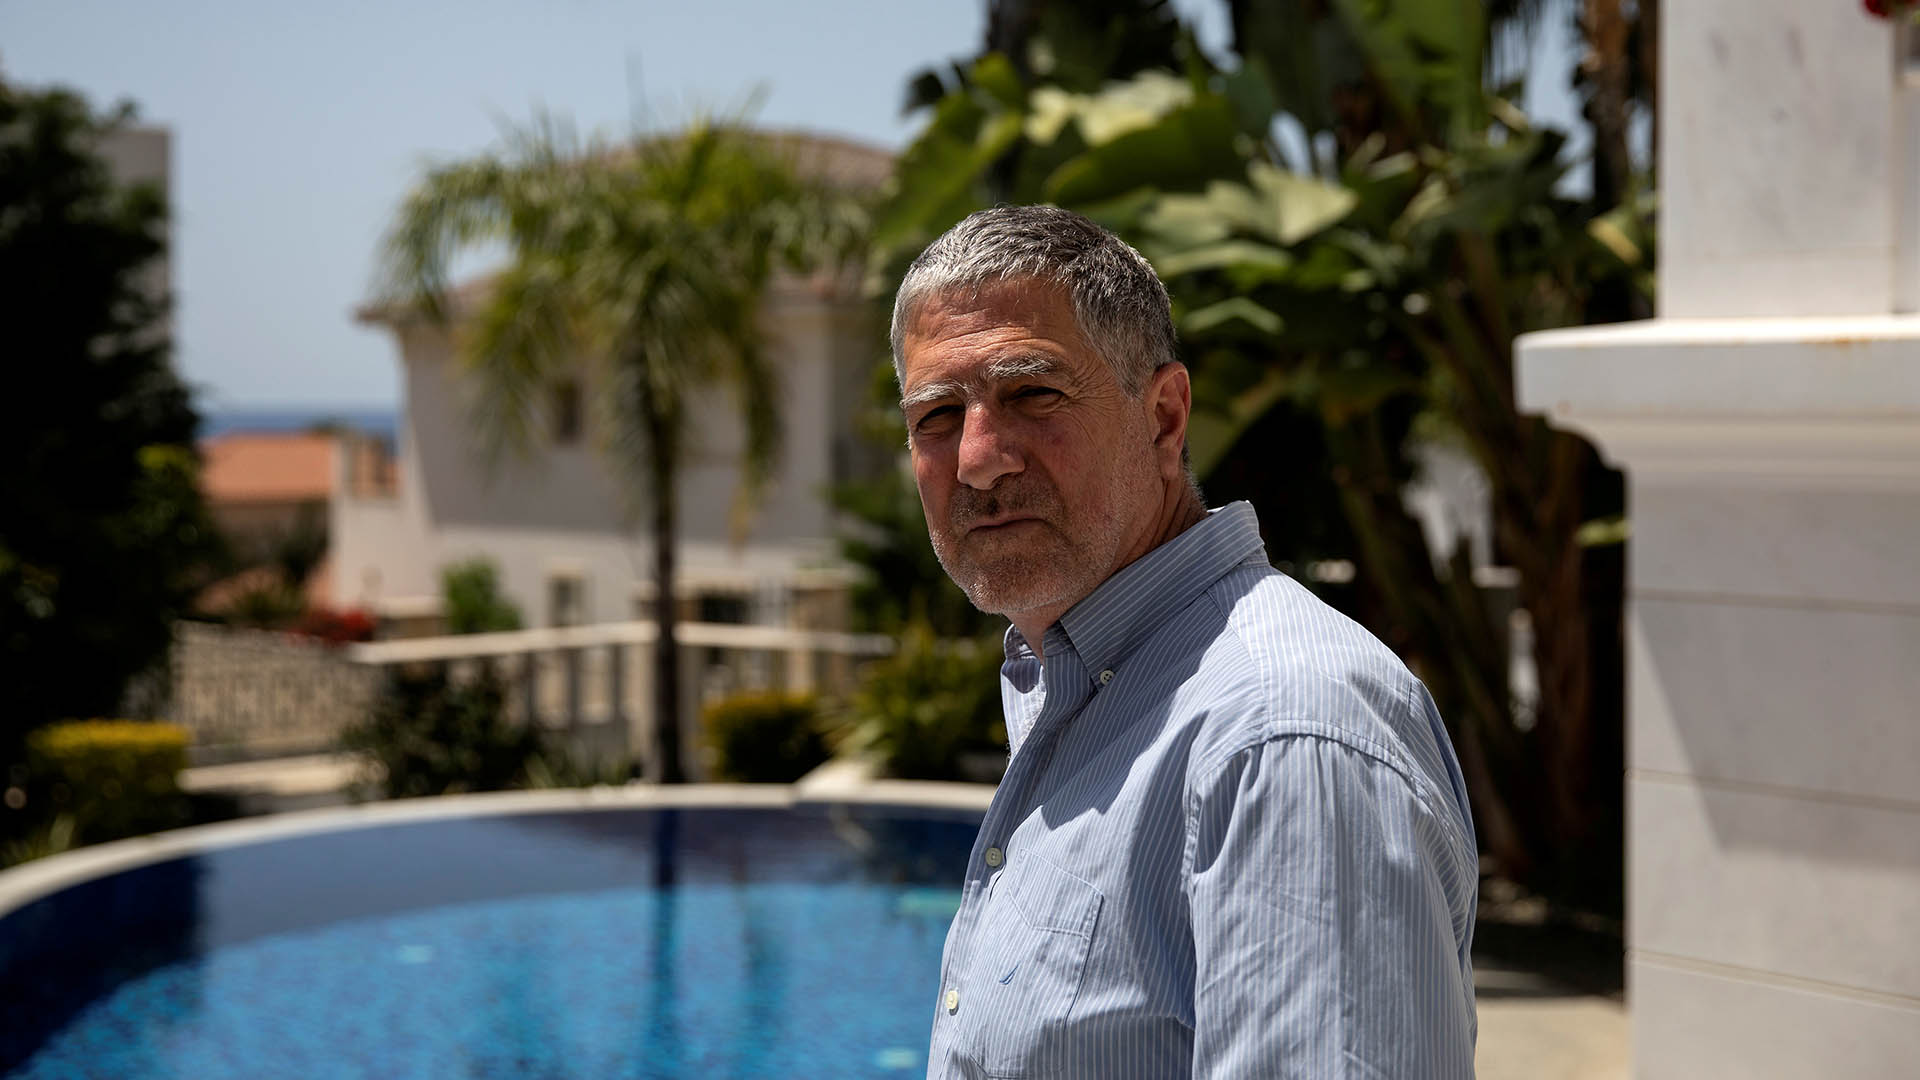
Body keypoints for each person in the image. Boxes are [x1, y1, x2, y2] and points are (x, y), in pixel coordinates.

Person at [892, 205, 1479, 1079]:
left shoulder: (1284, 736)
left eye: (1033, 393)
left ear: (1164, 418)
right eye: (937, 413)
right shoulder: (1084, 690)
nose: (978, 456)